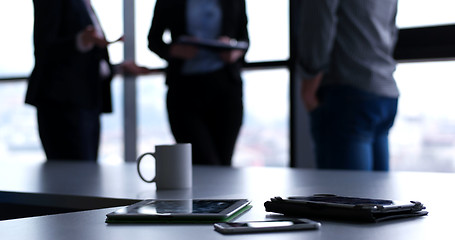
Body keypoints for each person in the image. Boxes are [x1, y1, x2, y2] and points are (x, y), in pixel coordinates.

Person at [26, 0, 150, 161]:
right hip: (64, 104)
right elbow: (44, 46)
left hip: (87, 101)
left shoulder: (84, 4)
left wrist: (117, 68)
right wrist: (80, 40)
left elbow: (86, 59)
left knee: (86, 171)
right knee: (74, 173)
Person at [299, 0, 399, 171]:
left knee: (345, 194)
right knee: (377, 193)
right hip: (384, 90)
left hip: (347, 90)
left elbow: (319, 19)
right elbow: (391, 29)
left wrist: (310, 81)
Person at [147, 0, 249, 165]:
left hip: (225, 90)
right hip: (185, 92)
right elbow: (154, 40)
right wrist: (175, 49)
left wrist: (233, 50)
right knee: (203, 162)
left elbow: (244, 40)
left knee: (223, 163)